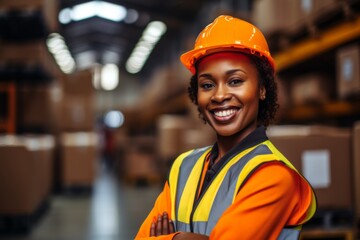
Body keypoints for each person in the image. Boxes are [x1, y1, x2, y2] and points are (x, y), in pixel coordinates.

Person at [135, 15, 317, 240]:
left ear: (262, 89)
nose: (219, 95)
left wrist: (173, 237)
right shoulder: (183, 166)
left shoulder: (272, 176)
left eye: (235, 81)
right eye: (207, 85)